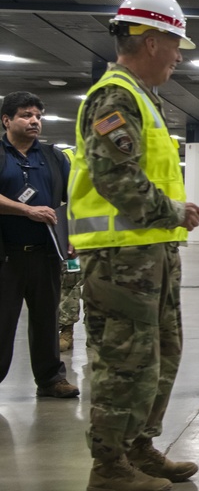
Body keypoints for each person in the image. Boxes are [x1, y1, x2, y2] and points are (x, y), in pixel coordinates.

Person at [68, 0, 199, 491]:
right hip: (120, 259)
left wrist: (172, 217)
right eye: (175, 45)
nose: (176, 57)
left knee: (160, 354)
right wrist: (172, 210)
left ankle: (138, 445)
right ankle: (108, 465)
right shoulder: (114, 97)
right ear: (150, 41)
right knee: (123, 360)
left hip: (151, 253)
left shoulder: (141, 98)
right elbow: (115, 178)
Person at [0, 91, 79, 398]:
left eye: (38, 116)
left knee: (47, 319)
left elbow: (72, 199)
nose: (34, 121)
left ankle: (50, 379)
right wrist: (26, 210)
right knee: (3, 322)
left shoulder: (52, 156)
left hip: (46, 254)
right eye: (26, 115)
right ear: (7, 120)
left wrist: (72, 235)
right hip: (6, 256)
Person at [58, 147, 83, 352]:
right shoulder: (66, 157)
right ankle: (66, 331)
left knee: (100, 287)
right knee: (70, 283)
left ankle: (96, 332)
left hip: (103, 236)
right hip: (73, 235)